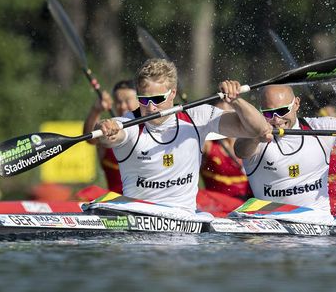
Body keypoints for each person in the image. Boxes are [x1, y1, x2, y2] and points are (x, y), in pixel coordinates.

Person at [96, 58, 271, 213]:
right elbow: (109, 135)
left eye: (157, 100)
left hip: (184, 223)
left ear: (173, 93)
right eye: (143, 100)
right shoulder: (130, 124)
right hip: (138, 219)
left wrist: (236, 100)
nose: (150, 108)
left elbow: (260, 129)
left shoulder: (197, 116)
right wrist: (104, 128)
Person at [234, 85, 336, 223]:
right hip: (269, 221)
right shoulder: (255, 138)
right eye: (269, 114)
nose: (277, 120)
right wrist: (255, 132)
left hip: (318, 220)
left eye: (283, 111)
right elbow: (240, 150)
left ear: (297, 104)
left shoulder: (321, 128)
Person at [83, 80, 139, 193]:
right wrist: (96, 110)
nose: (122, 106)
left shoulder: (150, 130)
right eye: (118, 102)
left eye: (127, 101)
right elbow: (90, 138)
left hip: (144, 203)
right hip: (116, 203)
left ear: (140, 100)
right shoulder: (108, 130)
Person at [199, 100, 253, 210]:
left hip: (249, 204)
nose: (225, 120)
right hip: (219, 205)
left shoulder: (251, 142)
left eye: (229, 114)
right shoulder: (207, 144)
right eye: (220, 115)